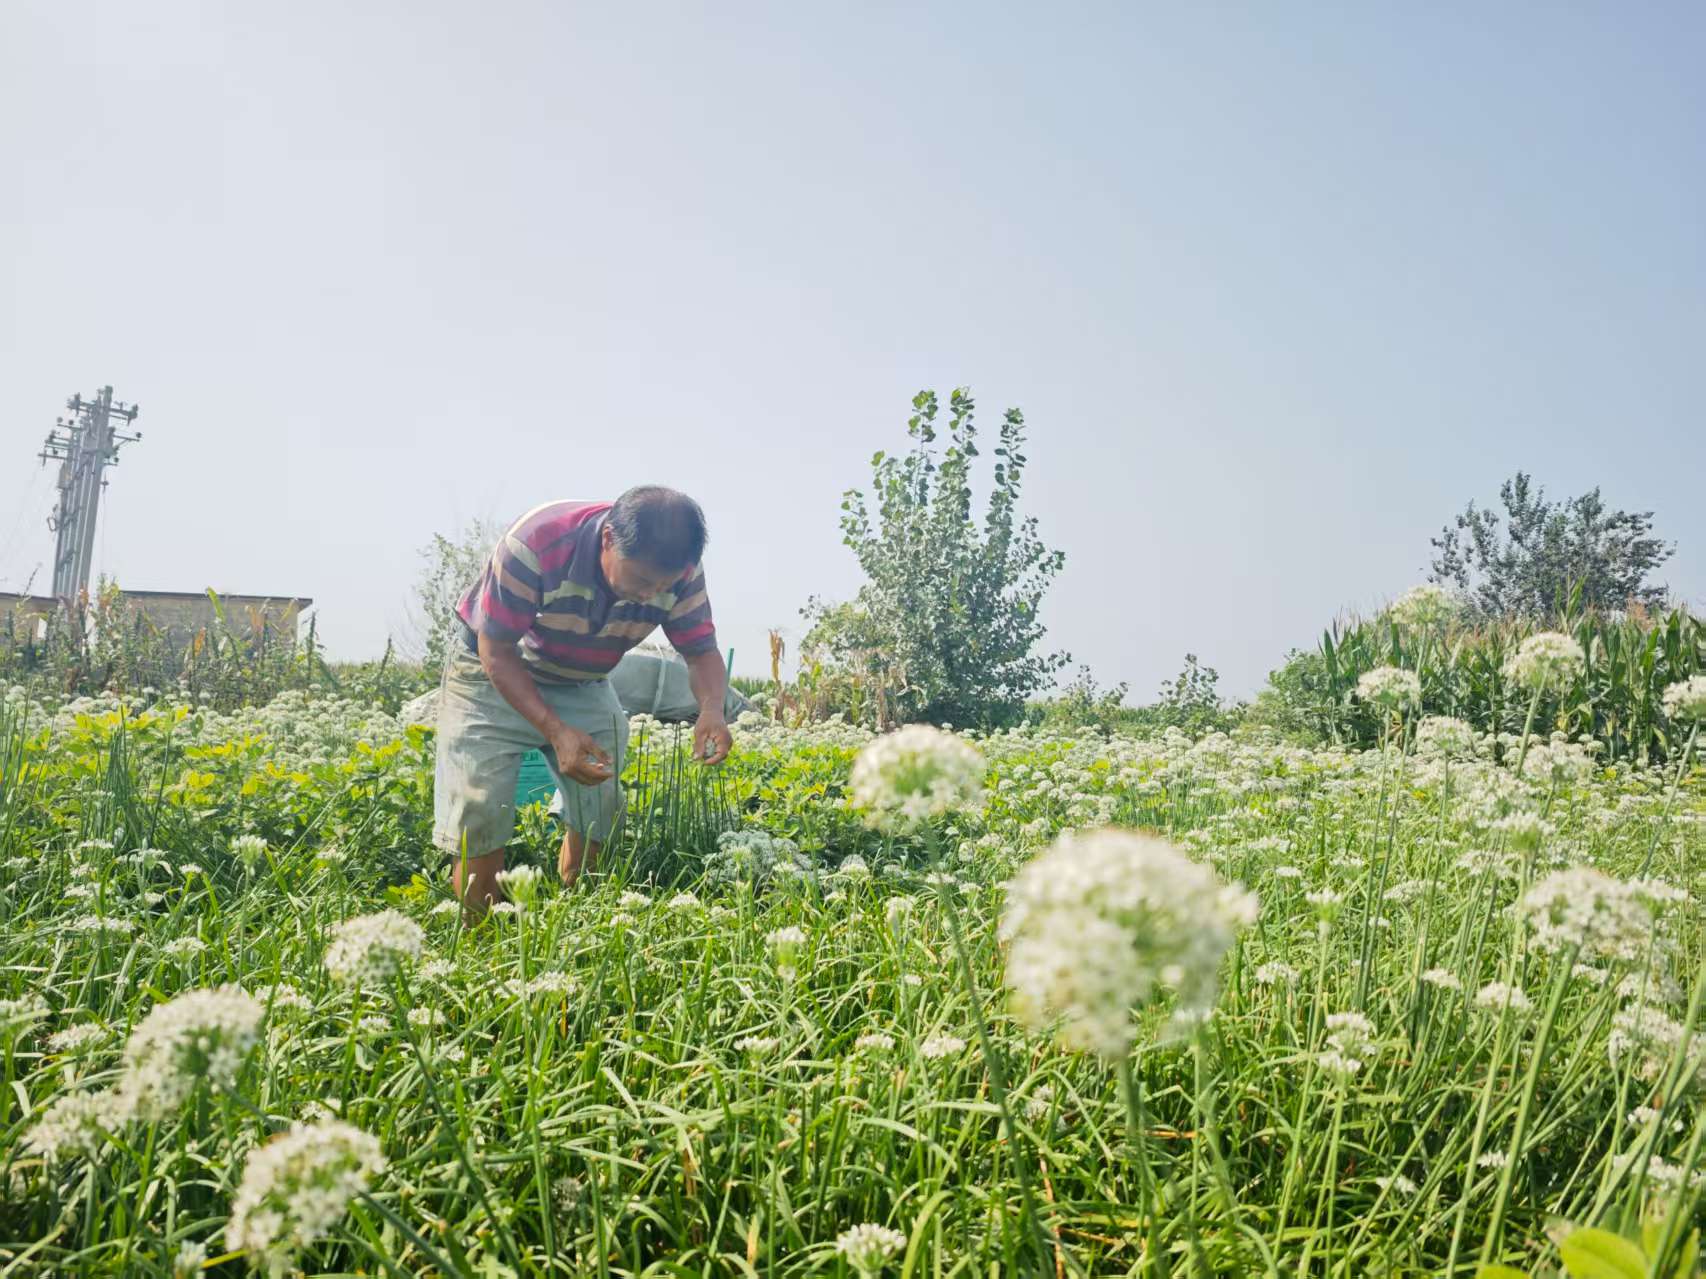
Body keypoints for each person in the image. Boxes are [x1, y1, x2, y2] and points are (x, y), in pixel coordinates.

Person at [433, 487, 732, 918]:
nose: (651, 594)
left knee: (600, 802)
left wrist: (711, 709)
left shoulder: (680, 569)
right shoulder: (536, 544)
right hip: (491, 672)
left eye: (663, 586)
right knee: (479, 806)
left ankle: (579, 916)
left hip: (582, 680)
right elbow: (495, 649)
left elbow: (701, 652)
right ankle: (478, 935)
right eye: (641, 581)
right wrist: (555, 731)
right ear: (609, 538)